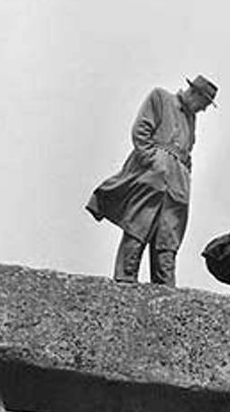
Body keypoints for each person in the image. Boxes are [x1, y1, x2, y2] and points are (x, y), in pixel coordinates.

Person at [86, 75, 218, 287]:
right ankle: (124, 286)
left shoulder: (192, 119)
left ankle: (165, 295)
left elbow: (187, 152)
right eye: (203, 103)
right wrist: (155, 162)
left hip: (177, 186)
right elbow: (141, 131)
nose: (203, 109)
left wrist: (184, 174)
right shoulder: (160, 98)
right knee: (138, 228)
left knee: (168, 241)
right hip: (152, 178)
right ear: (194, 94)